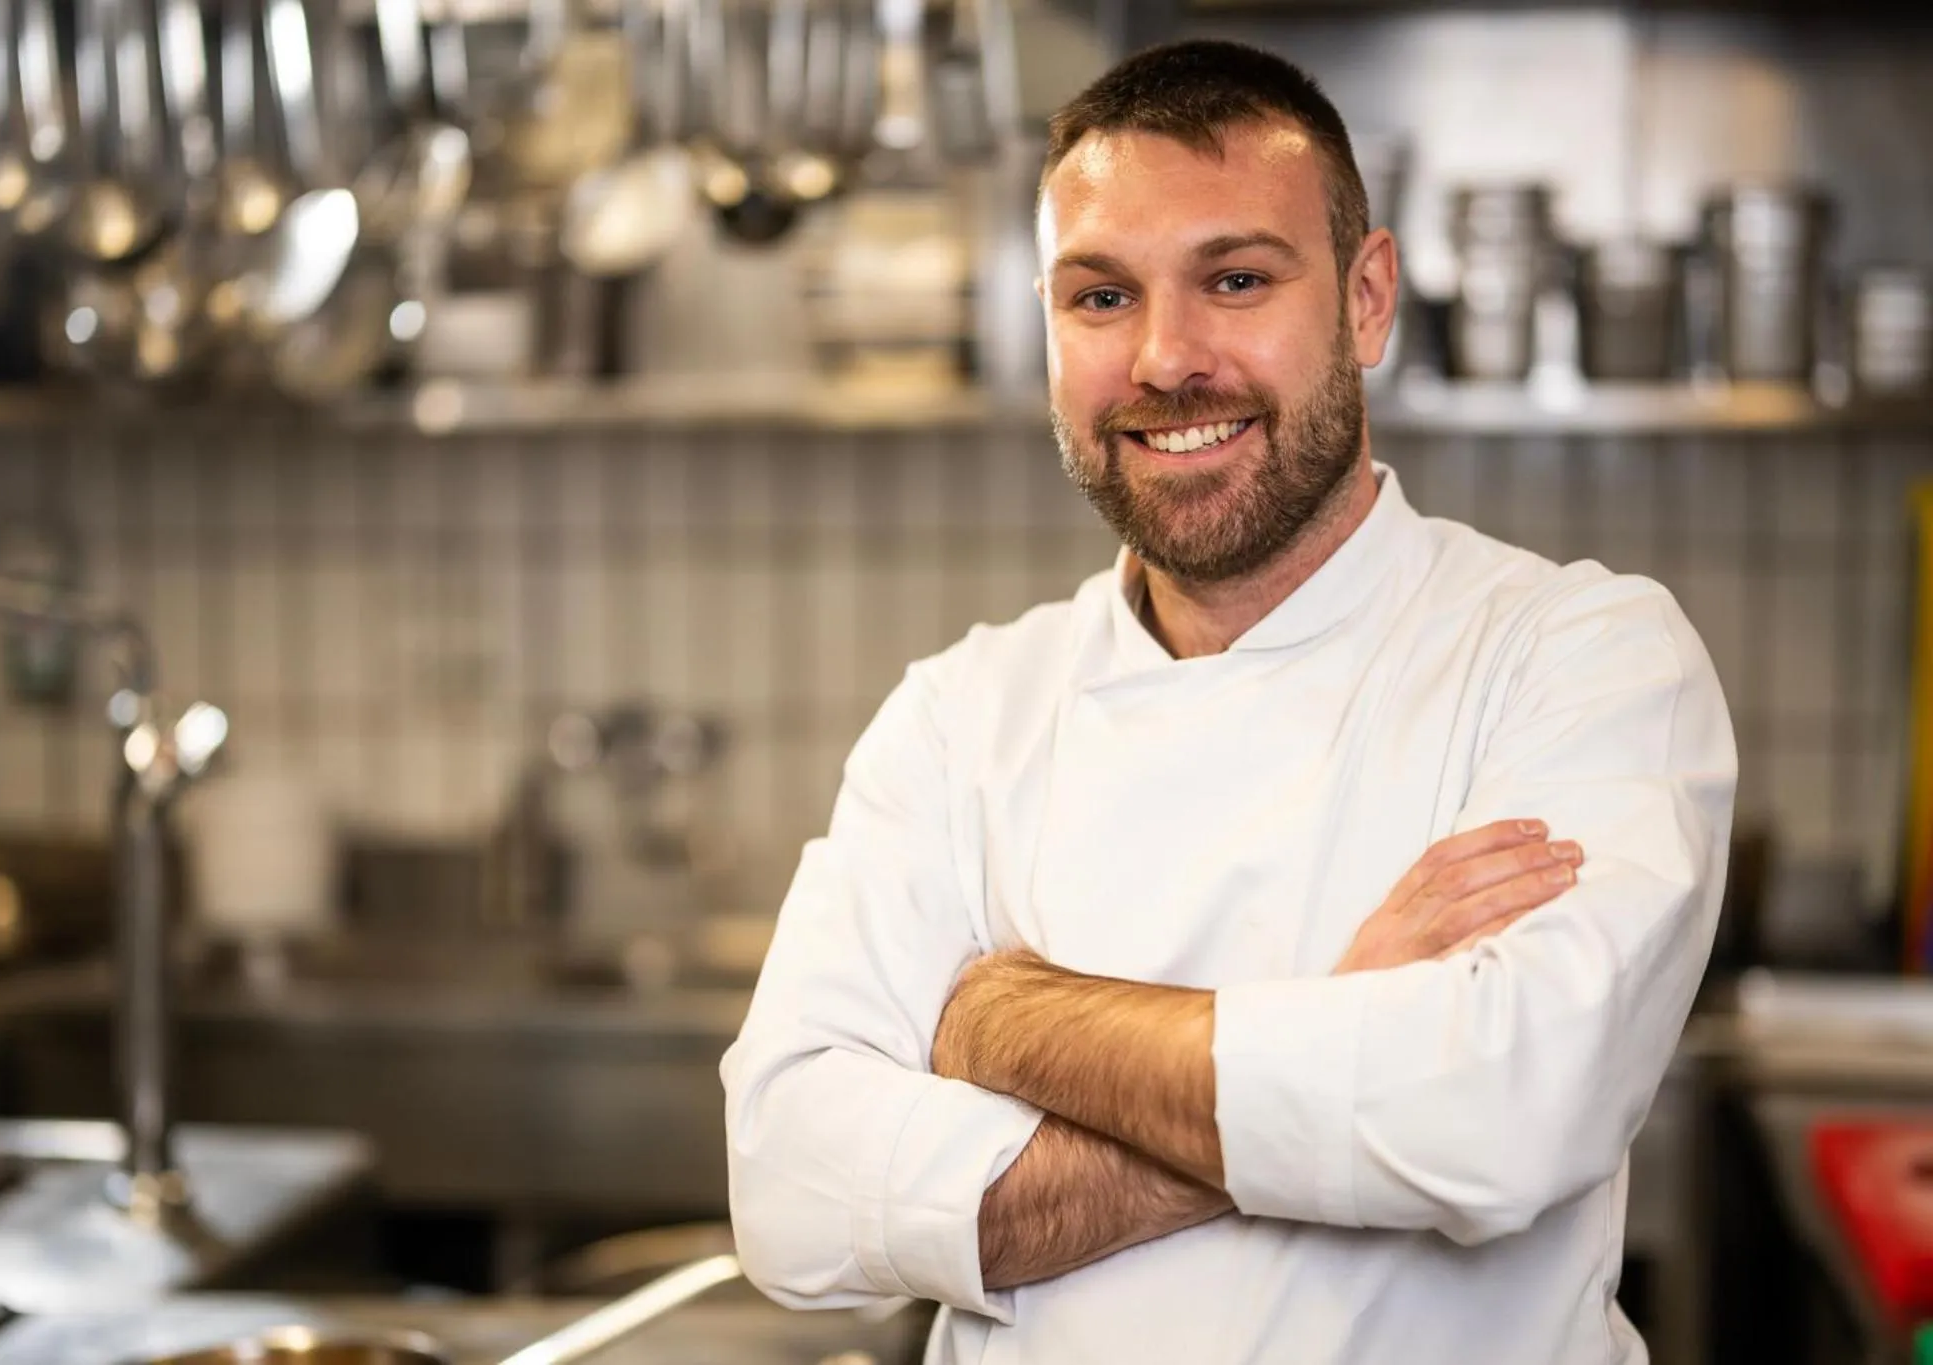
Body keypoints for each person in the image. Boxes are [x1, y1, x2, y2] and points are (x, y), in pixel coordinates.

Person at [721, 38, 1736, 1365]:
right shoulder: (961, 715)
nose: (1164, 358)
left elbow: (1495, 1113)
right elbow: (794, 1197)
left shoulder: (1577, 658)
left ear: (1368, 301)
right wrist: (1336, 1029)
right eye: (1099, 297)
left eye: (1238, 278)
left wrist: (1003, 1019)